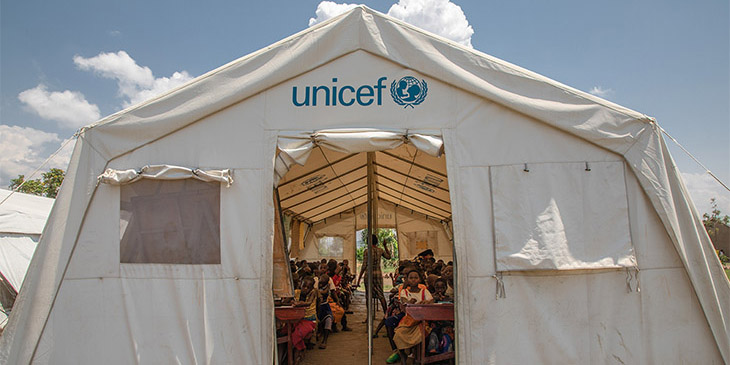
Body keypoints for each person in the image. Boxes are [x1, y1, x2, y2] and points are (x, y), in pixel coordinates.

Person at [392, 268, 433, 364]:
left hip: (422, 320)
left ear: (419, 279)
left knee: (421, 335)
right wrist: (409, 302)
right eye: (411, 278)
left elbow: (431, 300)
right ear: (407, 280)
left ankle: (417, 357)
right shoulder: (405, 292)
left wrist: (427, 302)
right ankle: (403, 356)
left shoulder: (424, 291)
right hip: (409, 321)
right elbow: (404, 301)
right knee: (398, 334)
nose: (413, 280)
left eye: (416, 278)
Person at [356, 234, 392, 319]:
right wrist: (385, 246)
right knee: (381, 294)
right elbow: (389, 257)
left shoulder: (367, 251)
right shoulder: (380, 250)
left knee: (368, 296)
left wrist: (358, 279)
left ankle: (369, 316)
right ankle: (386, 314)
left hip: (369, 274)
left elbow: (364, 266)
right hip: (378, 274)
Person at [291, 276, 318, 361]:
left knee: (296, 334)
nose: (305, 289)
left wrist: (299, 304)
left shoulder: (313, 293)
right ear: (300, 284)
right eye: (304, 286)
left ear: (312, 288)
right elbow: (288, 299)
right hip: (297, 318)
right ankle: (299, 348)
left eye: (308, 287)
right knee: (285, 331)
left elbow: (308, 303)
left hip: (309, 320)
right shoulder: (296, 292)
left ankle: (300, 348)